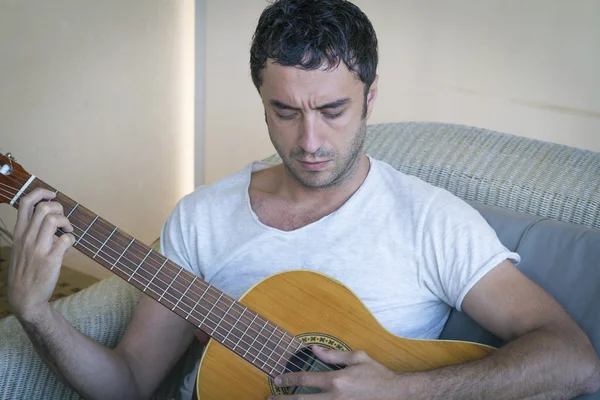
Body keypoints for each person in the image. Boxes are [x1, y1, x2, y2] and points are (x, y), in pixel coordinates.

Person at [7, 0, 600, 399]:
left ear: (369, 100)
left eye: (333, 110)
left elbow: (573, 357)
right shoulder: (202, 217)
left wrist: (400, 390)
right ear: (261, 100)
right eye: (285, 112)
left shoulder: (428, 219)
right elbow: (131, 382)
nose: (310, 141)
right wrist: (37, 315)